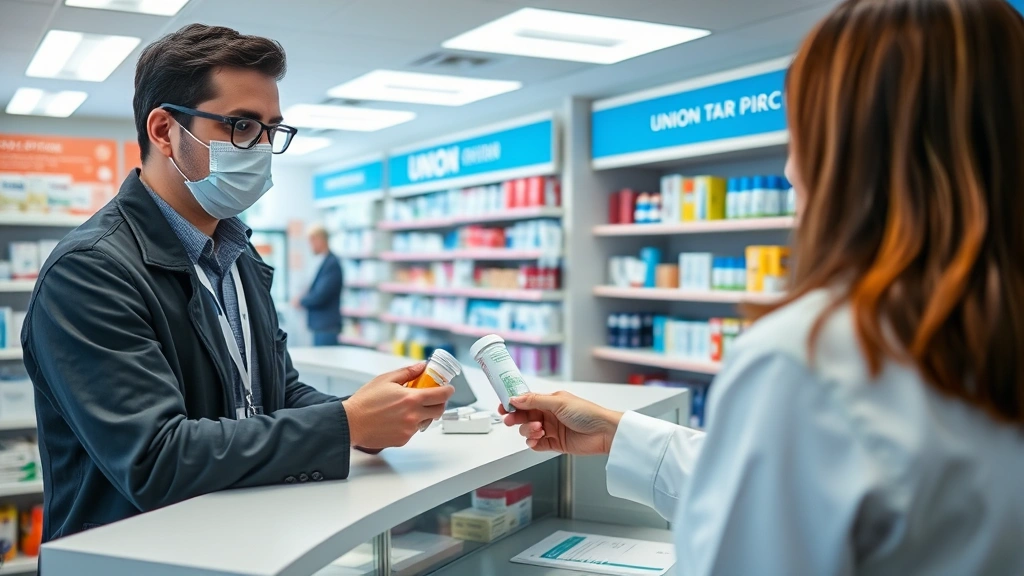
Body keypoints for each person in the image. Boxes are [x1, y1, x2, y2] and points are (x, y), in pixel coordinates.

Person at [504, 0, 1024, 574]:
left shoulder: (814, 355)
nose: (789, 171)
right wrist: (617, 431)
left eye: (799, 135)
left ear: (844, 154)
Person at [22, 24, 453, 543]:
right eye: (243, 126)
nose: (263, 147)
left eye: (273, 129)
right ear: (164, 131)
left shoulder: (238, 253)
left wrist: (367, 414)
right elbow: (155, 459)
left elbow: (273, 392)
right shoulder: (91, 271)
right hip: (132, 554)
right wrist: (346, 426)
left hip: (236, 539)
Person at [294, 224, 343, 347]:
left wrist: (301, 301)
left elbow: (321, 295)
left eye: (311, 241)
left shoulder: (332, 264)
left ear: (320, 240)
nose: (310, 246)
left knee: (325, 361)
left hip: (326, 326)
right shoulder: (324, 261)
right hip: (320, 326)